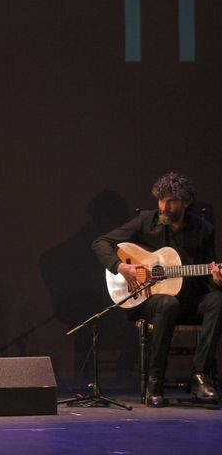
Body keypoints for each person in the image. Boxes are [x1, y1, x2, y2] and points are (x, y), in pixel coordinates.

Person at [92, 172, 222, 407]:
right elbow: (101, 243)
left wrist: (217, 280)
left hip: (189, 301)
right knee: (166, 303)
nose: (164, 206)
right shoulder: (147, 221)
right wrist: (122, 267)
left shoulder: (203, 229)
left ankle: (199, 376)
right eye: (160, 200)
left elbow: (208, 277)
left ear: (185, 202)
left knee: (217, 299)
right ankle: (155, 382)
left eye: (170, 200)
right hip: (150, 302)